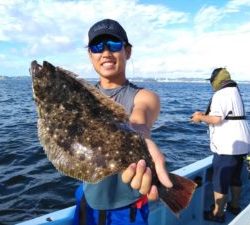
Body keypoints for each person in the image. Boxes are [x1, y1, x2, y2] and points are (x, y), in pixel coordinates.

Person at [73, 18, 173, 225]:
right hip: (87, 197)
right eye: (98, 46)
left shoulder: (145, 96)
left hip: (128, 206)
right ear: (90, 54)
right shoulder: (81, 100)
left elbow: (138, 121)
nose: (106, 52)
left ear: (127, 51)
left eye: (115, 45)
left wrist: (140, 136)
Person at [191, 68, 250, 223]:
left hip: (227, 146)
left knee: (220, 180)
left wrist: (200, 117)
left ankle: (217, 214)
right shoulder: (234, 91)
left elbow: (217, 119)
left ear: (216, 81)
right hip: (242, 144)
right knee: (236, 177)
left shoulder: (220, 94)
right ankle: (235, 206)